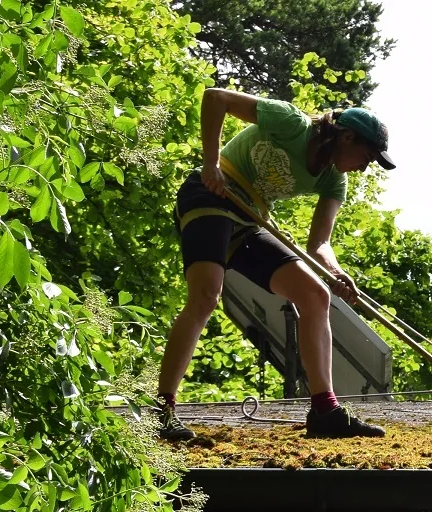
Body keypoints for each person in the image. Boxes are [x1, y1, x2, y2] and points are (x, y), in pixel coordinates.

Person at [156, 87, 395, 441]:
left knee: (316, 294)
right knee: (206, 295)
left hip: (250, 218)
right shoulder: (291, 123)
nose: (364, 167)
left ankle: (325, 411)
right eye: (367, 157)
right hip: (211, 193)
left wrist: (335, 272)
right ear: (347, 137)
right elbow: (215, 98)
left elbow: (320, 244)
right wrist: (210, 164)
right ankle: (162, 412)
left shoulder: (334, 179)